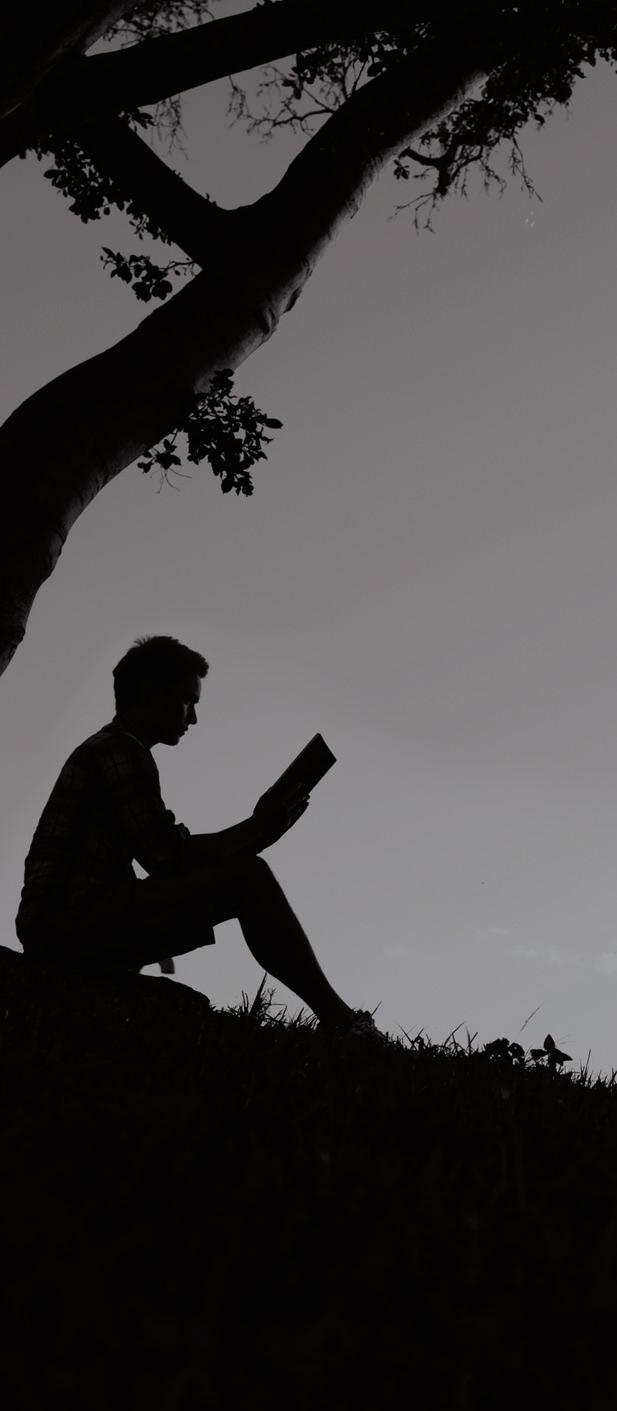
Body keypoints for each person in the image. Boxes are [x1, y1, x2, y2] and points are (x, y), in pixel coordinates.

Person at [15, 635, 384, 1040]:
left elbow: (170, 858)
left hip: (67, 923)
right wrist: (257, 828)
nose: (192, 718)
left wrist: (258, 830)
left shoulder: (116, 750)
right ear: (151, 690)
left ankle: (338, 1020)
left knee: (242, 882)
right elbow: (169, 858)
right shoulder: (118, 752)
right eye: (188, 700)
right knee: (249, 878)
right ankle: (342, 1022)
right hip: (66, 925)